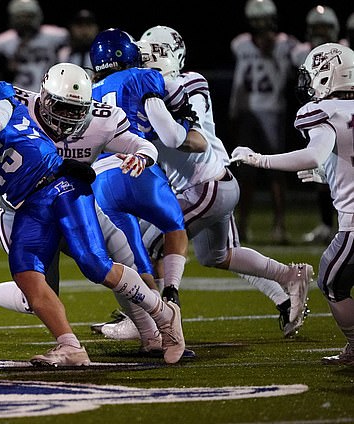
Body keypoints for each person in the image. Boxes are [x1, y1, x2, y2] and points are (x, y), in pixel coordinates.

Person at [0, 48, 185, 365]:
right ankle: (71, 347)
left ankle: (163, 313)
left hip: (58, 183)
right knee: (26, 275)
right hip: (25, 203)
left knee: (94, 264)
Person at [94, 26, 313, 341]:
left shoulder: (174, 83)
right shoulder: (161, 84)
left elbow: (180, 134)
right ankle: (289, 278)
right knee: (218, 255)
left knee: (142, 246)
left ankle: (152, 315)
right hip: (215, 179)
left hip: (202, 184)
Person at [230, 43, 354, 366]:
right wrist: (328, 176)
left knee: (330, 280)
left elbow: (314, 153)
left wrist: (259, 160)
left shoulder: (324, 112)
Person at [89, 28, 206, 307]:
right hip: (138, 167)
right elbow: (171, 136)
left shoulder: (88, 91)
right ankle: (171, 295)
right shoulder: (142, 77)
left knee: (138, 263)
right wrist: (187, 122)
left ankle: (153, 327)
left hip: (100, 180)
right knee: (174, 227)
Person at [229, 0, 300, 244]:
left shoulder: (285, 44)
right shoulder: (241, 44)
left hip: (273, 112)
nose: (260, 26)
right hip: (250, 112)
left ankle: (279, 226)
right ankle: (242, 225)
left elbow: (300, 57)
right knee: (246, 173)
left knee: (276, 173)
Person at [292, 5, 341, 244]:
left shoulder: (344, 53)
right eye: (317, 28)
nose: (320, 32)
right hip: (321, 118)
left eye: (325, 28)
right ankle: (327, 225)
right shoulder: (303, 53)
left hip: (340, 119)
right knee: (323, 174)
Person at [0, 0, 68, 91]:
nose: (25, 21)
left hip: (49, 90)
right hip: (19, 93)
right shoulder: (3, 42)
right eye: (20, 17)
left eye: (28, 16)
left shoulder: (56, 36)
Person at [57, 9, 99, 74]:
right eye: (79, 25)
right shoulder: (62, 55)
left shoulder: (103, 56)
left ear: (96, 28)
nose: (84, 30)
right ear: (71, 28)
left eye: (89, 25)